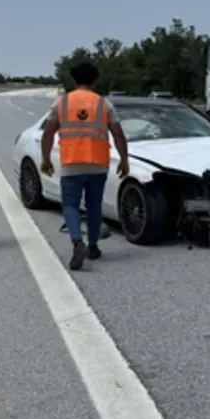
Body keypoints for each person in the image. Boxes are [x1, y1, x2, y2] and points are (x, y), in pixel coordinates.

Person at [39, 62, 130, 270]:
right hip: (98, 163)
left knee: (70, 204)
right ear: (95, 80)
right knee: (94, 205)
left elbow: (48, 132)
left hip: (72, 163)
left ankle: (77, 241)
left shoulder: (61, 103)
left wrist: (45, 158)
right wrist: (124, 160)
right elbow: (118, 133)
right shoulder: (103, 104)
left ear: (73, 80)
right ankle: (93, 246)